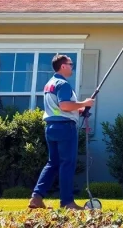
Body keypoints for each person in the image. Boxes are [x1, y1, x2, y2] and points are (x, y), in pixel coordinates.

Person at [28, 54, 95, 210]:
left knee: (53, 163)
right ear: (63, 66)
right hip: (65, 128)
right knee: (67, 164)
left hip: (51, 127)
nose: (72, 67)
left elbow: (59, 109)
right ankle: (67, 202)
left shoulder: (49, 84)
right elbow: (64, 105)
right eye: (70, 64)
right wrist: (85, 103)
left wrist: (78, 110)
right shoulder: (63, 84)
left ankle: (36, 198)